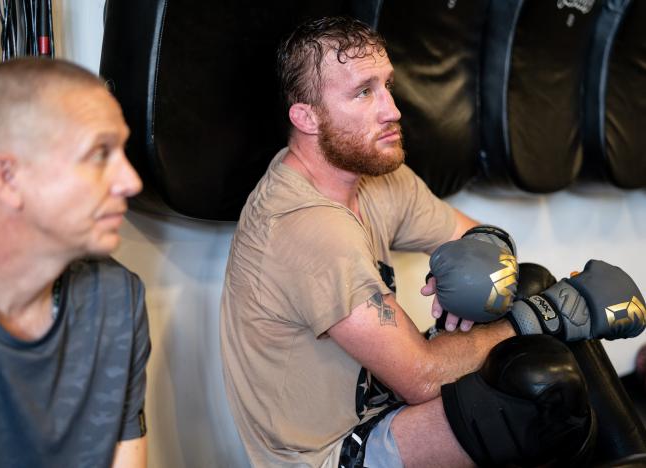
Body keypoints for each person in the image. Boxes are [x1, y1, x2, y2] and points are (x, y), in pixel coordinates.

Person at [220, 17, 643, 467]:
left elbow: (479, 235)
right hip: (330, 452)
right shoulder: (304, 228)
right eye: (364, 92)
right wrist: (550, 315)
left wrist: (474, 262)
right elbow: (420, 377)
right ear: (306, 117)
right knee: (535, 388)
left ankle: (633, 457)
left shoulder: (375, 179)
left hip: (384, 405)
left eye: (387, 85)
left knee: (531, 282)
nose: (392, 109)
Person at [0, 58, 150, 467]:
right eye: (99, 153)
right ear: (8, 178)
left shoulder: (116, 299)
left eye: (122, 151)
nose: (131, 181)